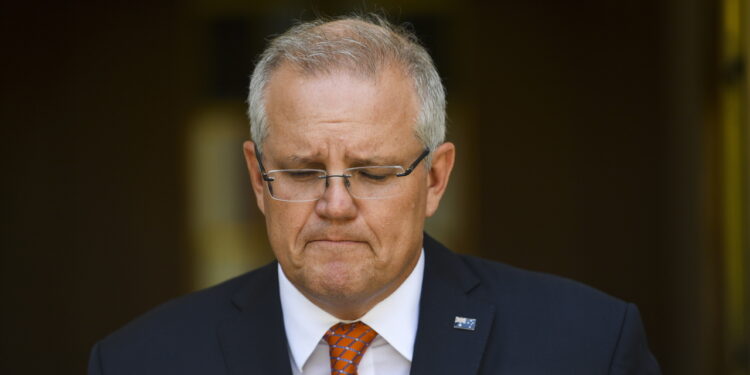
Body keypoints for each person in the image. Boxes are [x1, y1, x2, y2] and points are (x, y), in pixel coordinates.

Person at [88, 15, 661, 375]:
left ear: (435, 179)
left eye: (373, 172)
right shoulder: (139, 361)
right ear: (257, 179)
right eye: (303, 171)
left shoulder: (587, 347)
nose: (335, 206)